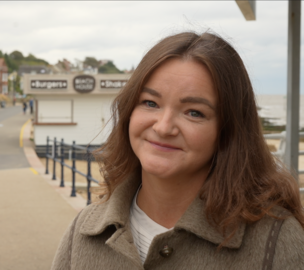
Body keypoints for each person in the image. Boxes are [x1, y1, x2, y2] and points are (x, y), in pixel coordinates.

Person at [51, 32, 304, 270]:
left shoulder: (277, 242)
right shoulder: (82, 232)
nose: (163, 127)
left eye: (194, 112)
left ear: (228, 131)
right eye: (150, 103)